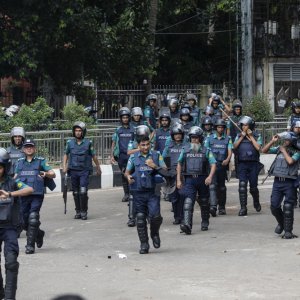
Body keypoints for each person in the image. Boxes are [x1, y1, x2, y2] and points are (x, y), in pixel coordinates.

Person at [125, 134, 167, 254]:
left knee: (155, 217)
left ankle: (154, 233)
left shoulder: (156, 155)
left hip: (153, 191)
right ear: (138, 146)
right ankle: (144, 244)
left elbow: (165, 170)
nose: (145, 147)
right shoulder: (133, 157)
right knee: (140, 218)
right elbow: (127, 172)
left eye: (147, 144)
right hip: (138, 192)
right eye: (142, 145)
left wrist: (154, 166)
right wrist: (128, 177)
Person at [0, 148, 33, 299]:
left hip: (10, 228)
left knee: (11, 262)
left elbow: (29, 189)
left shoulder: (13, 183)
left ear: (5, 168)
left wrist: (10, 194)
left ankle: (9, 297)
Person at [15, 139, 56, 255]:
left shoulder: (40, 161)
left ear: (35, 149)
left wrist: (46, 173)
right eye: (27, 147)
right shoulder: (19, 162)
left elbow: (53, 174)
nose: (29, 148)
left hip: (36, 195)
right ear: (23, 149)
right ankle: (39, 233)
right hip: (23, 195)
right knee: (23, 222)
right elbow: (14, 177)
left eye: (31, 147)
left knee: (33, 218)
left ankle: (29, 246)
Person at [177, 126, 216, 234]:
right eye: (192, 138)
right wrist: (178, 180)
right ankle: (187, 225)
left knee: (204, 202)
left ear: (200, 138)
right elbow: (179, 164)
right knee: (188, 201)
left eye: (196, 138)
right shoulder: (185, 150)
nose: (194, 140)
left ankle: (205, 222)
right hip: (189, 179)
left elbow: (213, 164)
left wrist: (210, 177)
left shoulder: (206, 150)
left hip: (203, 179)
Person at [262, 132, 300, 239]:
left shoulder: (297, 152)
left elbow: (290, 161)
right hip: (278, 181)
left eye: (287, 140)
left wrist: (284, 151)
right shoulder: (279, 148)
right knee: (274, 206)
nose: (285, 142)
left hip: (290, 182)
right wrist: (272, 142)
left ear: (292, 141)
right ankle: (282, 224)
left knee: (288, 206)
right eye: (284, 140)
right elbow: (264, 151)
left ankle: (288, 231)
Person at [63, 122, 101, 220]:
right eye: (76, 131)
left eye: (80, 131)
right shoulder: (69, 143)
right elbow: (66, 155)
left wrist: (98, 167)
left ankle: (84, 211)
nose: (78, 132)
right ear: (74, 132)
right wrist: (64, 166)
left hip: (84, 171)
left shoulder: (88, 143)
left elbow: (94, 156)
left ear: (83, 132)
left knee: (83, 191)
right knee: (75, 192)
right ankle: (78, 211)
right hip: (73, 170)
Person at [233, 116, 262, 216]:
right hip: (242, 164)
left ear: (250, 126)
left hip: (253, 164)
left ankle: (256, 202)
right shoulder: (238, 135)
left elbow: (258, 147)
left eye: (246, 125)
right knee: (242, 186)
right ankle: (243, 208)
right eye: (242, 125)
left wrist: (251, 137)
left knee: (253, 187)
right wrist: (242, 136)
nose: (244, 127)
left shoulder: (257, 135)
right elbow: (234, 147)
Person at [205, 119, 233, 215]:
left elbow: (230, 151)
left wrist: (227, 159)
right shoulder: (209, 138)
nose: (220, 129)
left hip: (222, 165)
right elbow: (206, 150)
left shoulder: (228, 139)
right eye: (219, 127)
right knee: (212, 186)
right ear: (215, 128)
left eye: (222, 127)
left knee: (221, 188)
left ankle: (221, 207)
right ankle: (213, 207)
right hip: (212, 165)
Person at [126, 125, 151, 227]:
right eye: (141, 135)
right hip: (134, 167)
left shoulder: (149, 143)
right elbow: (129, 152)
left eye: (144, 135)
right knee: (133, 195)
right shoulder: (132, 142)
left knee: (150, 194)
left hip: (148, 167)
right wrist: (140, 149)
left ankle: (149, 215)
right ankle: (132, 218)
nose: (143, 136)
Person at [162, 123, 187, 224]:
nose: (178, 136)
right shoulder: (169, 146)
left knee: (183, 196)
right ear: (172, 135)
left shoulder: (186, 146)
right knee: (174, 197)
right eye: (176, 134)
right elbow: (162, 159)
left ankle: (183, 216)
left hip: (183, 174)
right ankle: (176, 217)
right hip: (172, 174)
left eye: (180, 134)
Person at [111, 107, 135, 202]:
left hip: (132, 156)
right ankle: (126, 194)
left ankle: (133, 193)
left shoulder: (133, 129)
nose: (125, 119)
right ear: (121, 119)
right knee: (124, 175)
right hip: (121, 157)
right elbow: (113, 143)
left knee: (132, 174)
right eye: (123, 117)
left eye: (126, 117)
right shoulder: (118, 130)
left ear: (129, 118)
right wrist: (112, 155)